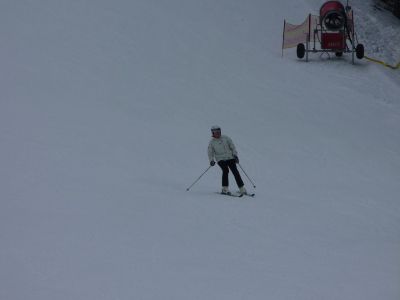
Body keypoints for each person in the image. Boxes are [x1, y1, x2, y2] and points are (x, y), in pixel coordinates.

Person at [208, 125, 247, 195]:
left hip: (230, 157)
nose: (217, 133)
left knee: (235, 171)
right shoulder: (212, 142)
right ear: (213, 133)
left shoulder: (226, 138)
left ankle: (242, 188)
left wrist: (235, 155)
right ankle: (225, 189)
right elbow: (210, 152)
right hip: (220, 159)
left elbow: (232, 147)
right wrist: (211, 160)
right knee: (225, 170)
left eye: (218, 131)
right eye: (215, 132)